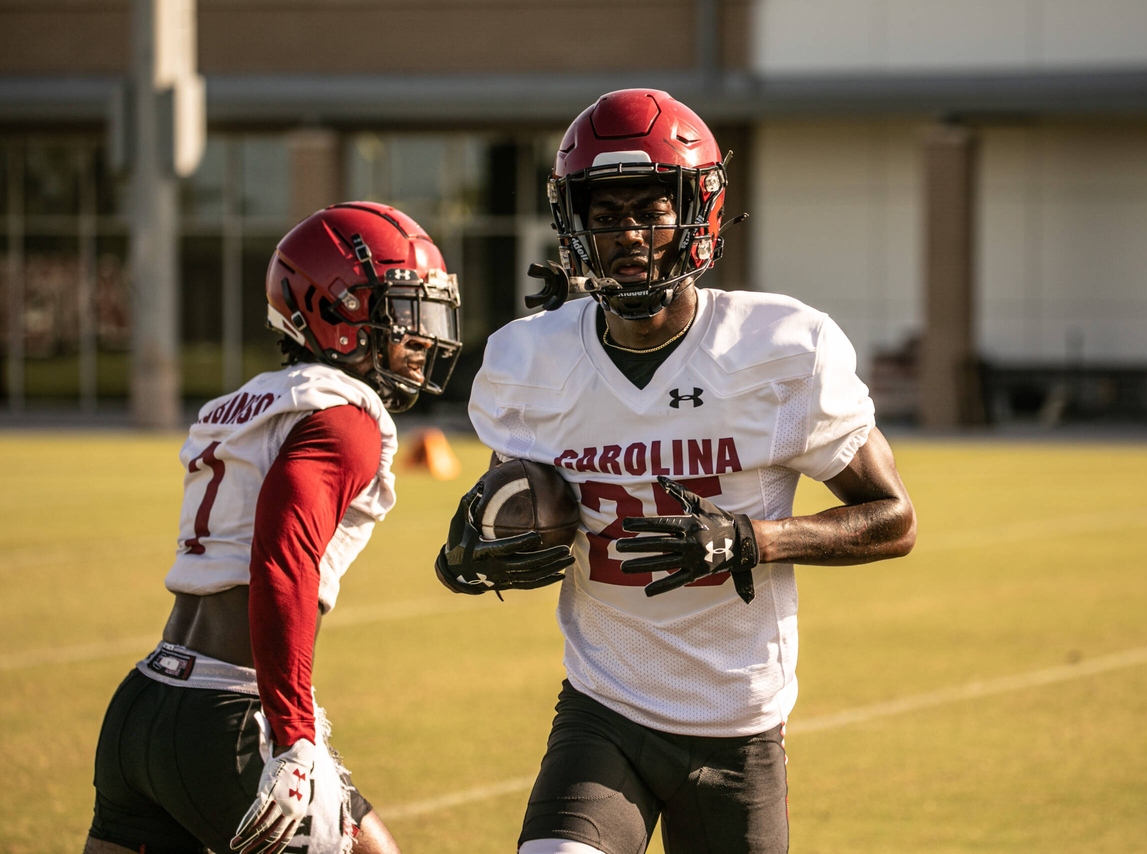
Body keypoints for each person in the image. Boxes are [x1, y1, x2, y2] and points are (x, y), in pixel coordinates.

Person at [436, 89, 917, 854]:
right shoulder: (532, 357)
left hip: (738, 726)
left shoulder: (780, 348)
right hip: (603, 708)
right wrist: (479, 545)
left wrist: (752, 539)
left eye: (650, 210)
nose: (627, 233)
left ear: (696, 214)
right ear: (574, 225)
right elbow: (522, 503)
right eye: (604, 213)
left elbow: (893, 520)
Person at [84, 202, 462, 854]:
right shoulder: (346, 416)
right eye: (402, 310)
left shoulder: (254, 400)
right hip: (229, 713)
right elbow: (281, 563)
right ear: (336, 311)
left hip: (144, 701)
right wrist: (293, 737)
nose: (422, 336)